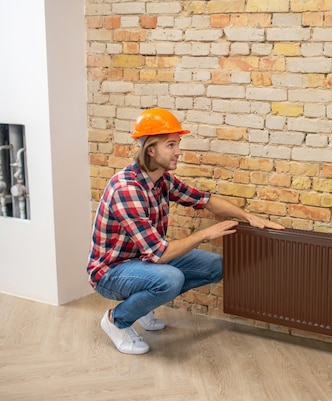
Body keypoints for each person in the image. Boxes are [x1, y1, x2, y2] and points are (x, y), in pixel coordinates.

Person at [87, 108, 284, 355]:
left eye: (178, 143)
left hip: (143, 261)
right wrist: (204, 234)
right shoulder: (127, 189)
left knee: (215, 265)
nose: (178, 151)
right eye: (171, 145)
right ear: (151, 150)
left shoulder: (162, 181)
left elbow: (205, 200)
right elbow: (159, 254)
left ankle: (142, 306)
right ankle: (117, 320)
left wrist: (249, 217)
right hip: (111, 272)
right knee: (171, 278)